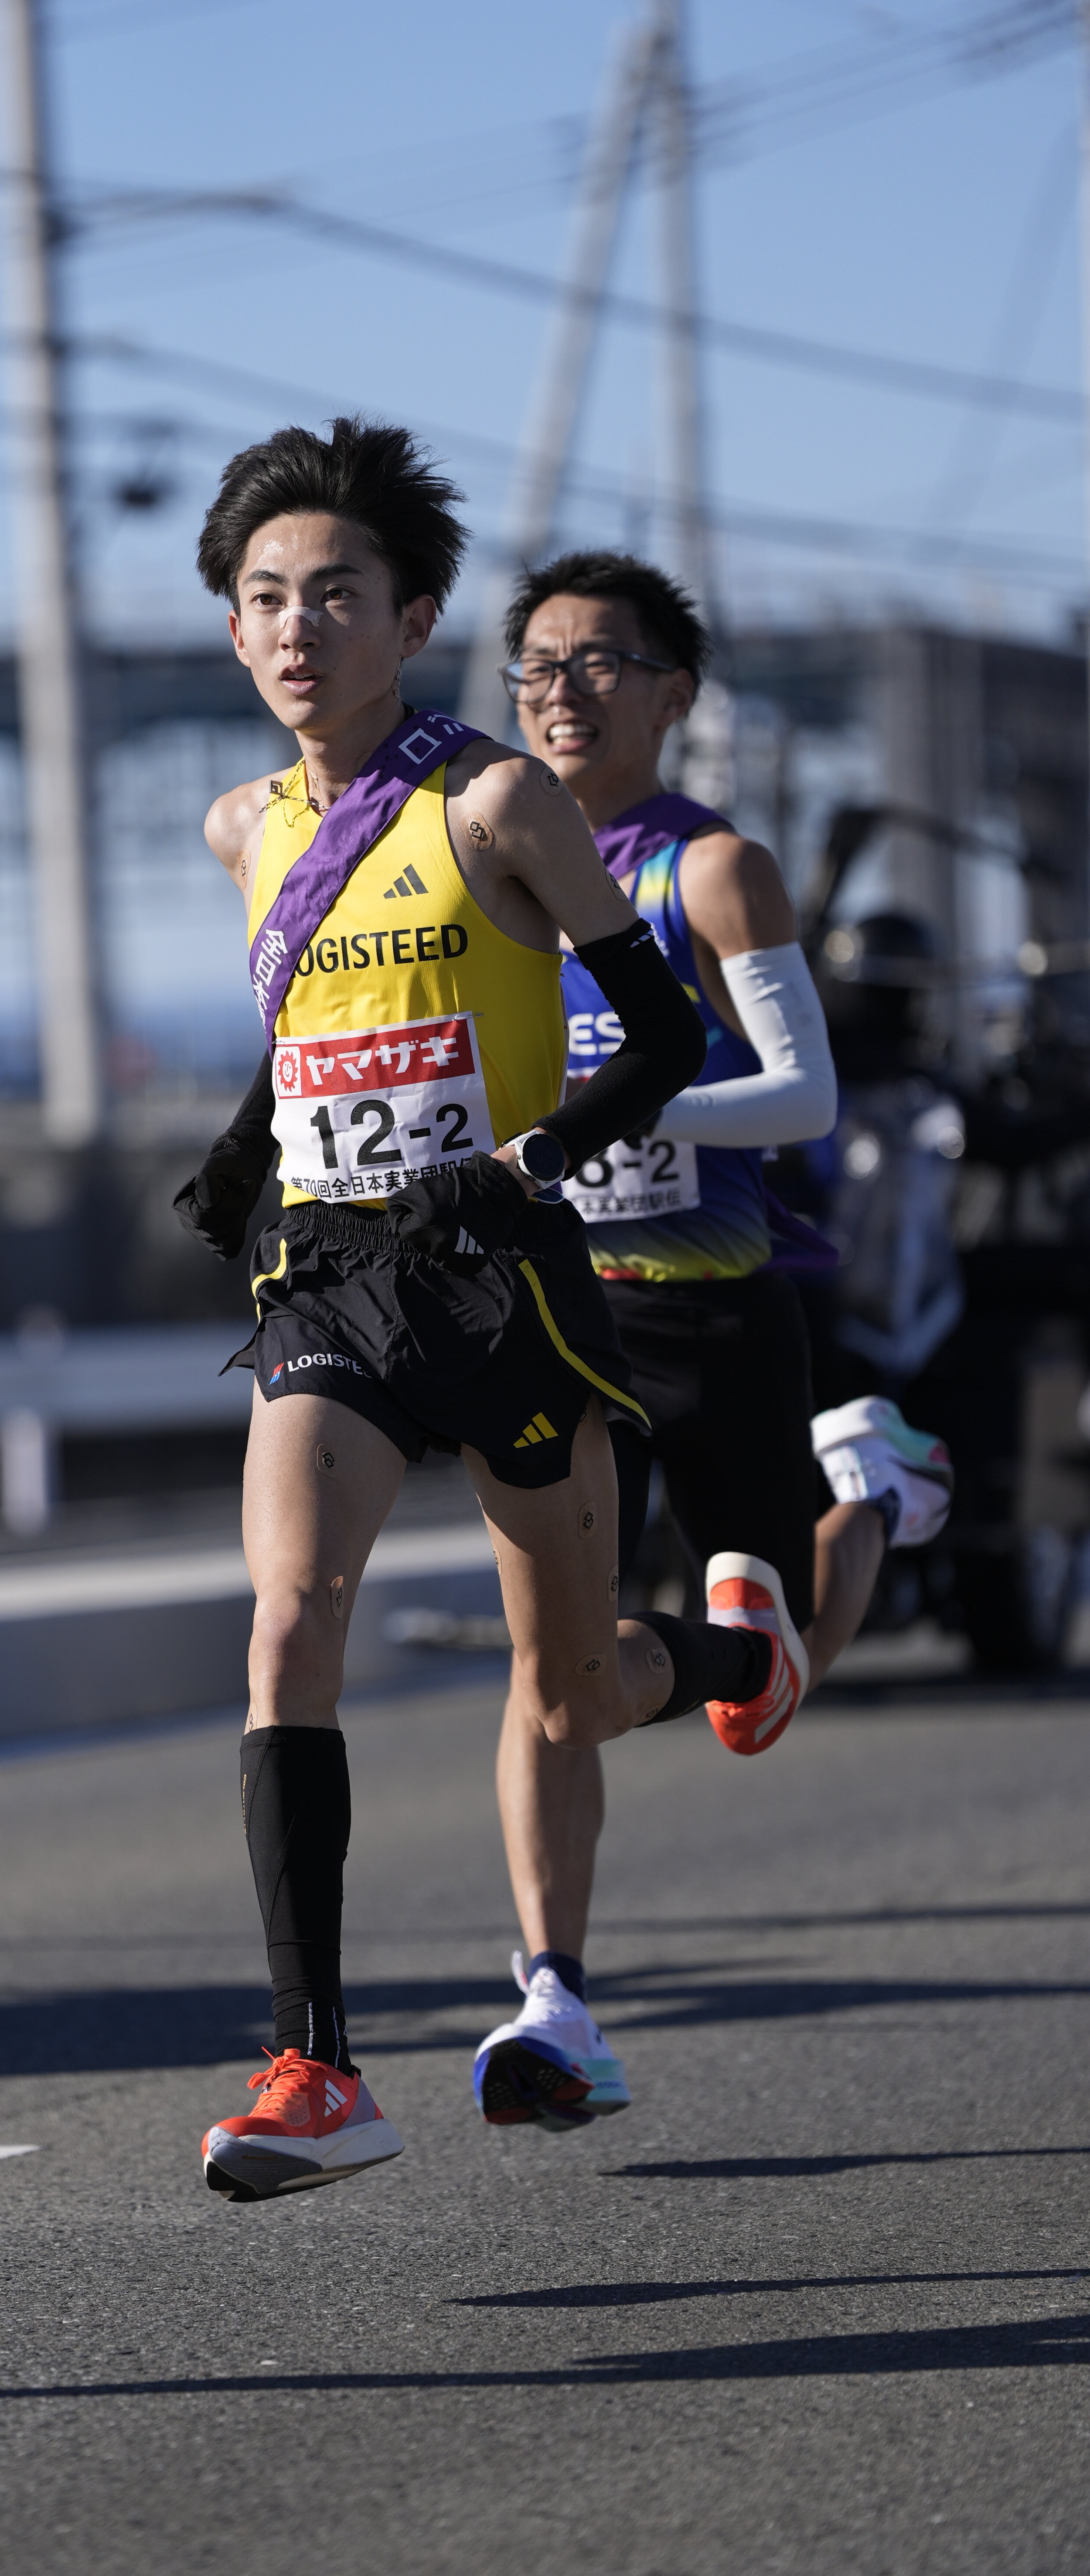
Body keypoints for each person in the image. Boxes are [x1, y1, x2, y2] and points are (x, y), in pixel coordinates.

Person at [178, 423, 792, 2204]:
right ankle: (315, 2064)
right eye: (264, 601)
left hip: (507, 1280)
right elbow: (311, 1041)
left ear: (414, 616)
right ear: (233, 633)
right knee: (289, 1620)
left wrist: (522, 1173)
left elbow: (666, 1040)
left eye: (336, 597)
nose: (298, 630)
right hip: (333, 1281)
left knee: (572, 1679)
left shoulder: (495, 806)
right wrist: (244, 1152)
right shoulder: (242, 826)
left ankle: (738, 1672)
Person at [469, 550, 951, 2136]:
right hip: (556, 1309)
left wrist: (612, 1108)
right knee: (558, 1668)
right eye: (537, 664)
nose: (561, 692)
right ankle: (555, 1994)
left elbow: (801, 1096)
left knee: (757, 1694)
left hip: (716, 1306)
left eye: (601, 664)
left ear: (675, 695)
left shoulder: (710, 872)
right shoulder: (483, 871)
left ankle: (869, 1489)